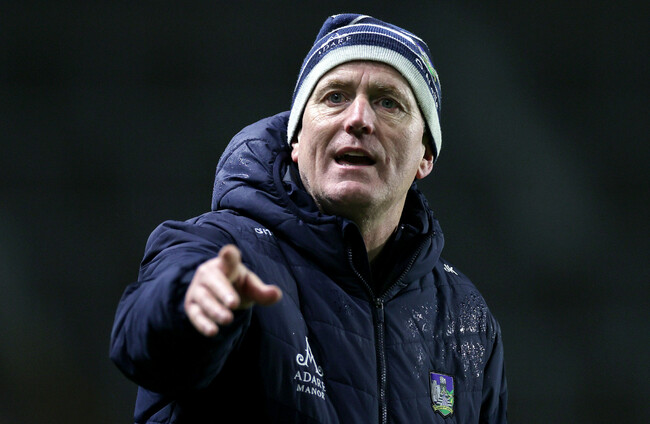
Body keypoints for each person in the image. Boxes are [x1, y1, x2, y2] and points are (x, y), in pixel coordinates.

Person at [110, 13, 508, 423]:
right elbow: (143, 345)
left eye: (388, 102)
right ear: (296, 140)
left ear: (426, 154)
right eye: (335, 97)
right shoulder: (220, 249)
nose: (358, 119)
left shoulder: (466, 319)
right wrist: (188, 306)